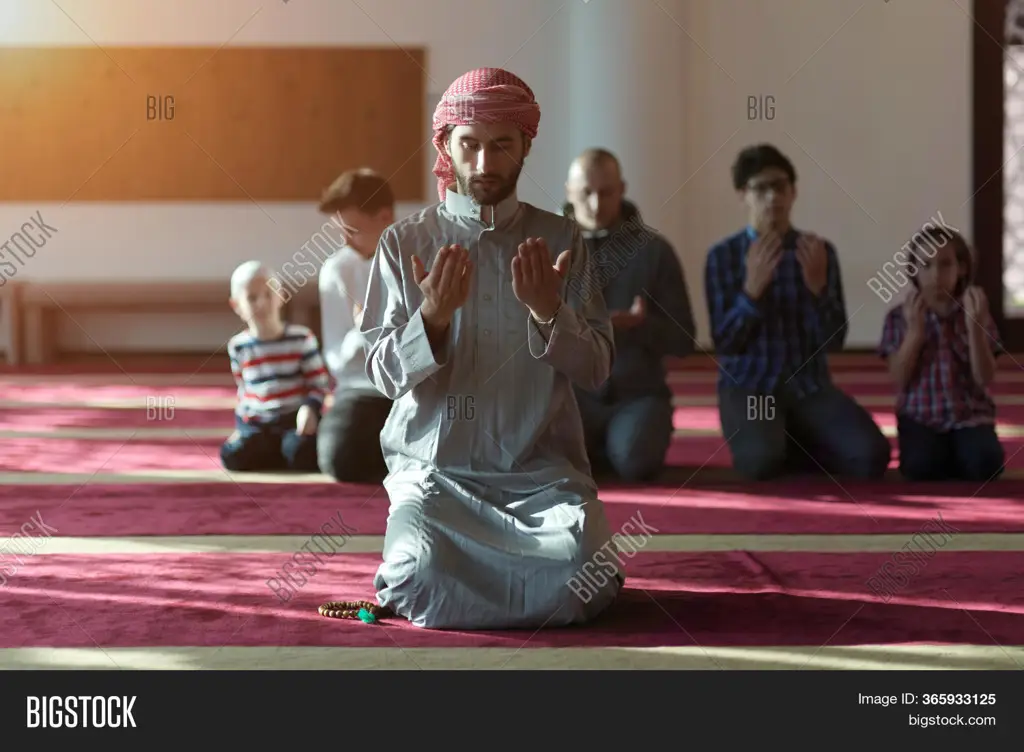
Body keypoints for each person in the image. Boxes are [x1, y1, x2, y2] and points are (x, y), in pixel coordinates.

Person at [358, 67, 623, 630]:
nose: (483, 164)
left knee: (583, 572)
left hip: (540, 479)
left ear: (526, 144)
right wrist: (430, 318)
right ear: (446, 148)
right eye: (469, 145)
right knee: (415, 575)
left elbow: (597, 367)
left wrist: (550, 311)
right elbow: (382, 376)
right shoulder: (404, 243)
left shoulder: (562, 240)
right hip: (436, 477)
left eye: (501, 145)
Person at [704, 144, 890, 480]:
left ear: (793, 192)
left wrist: (818, 290)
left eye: (780, 186)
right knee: (759, 463)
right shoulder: (723, 257)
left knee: (871, 457)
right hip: (750, 387)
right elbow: (725, 343)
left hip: (808, 386)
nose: (772, 196)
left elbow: (833, 341)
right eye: (761, 188)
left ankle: (792, 433)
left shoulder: (817, 252)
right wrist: (751, 294)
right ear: (743, 194)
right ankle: (783, 437)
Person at [562, 148, 695, 481]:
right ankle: (594, 446)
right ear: (568, 192)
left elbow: (684, 340)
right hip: (569, 396)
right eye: (585, 193)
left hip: (637, 394)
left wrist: (640, 327)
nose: (595, 204)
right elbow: (520, 335)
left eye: (605, 193)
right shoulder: (546, 248)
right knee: (549, 467)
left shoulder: (654, 251)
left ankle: (611, 445)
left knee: (635, 462)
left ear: (622, 189)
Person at [878, 227, 1005, 481]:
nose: (936, 275)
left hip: (969, 415)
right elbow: (900, 378)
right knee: (921, 468)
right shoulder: (898, 317)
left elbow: (985, 378)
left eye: (945, 264)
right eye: (925, 265)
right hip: (920, 417)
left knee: (985, 464)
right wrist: (915, 333)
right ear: (914, 270)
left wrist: (974, 329)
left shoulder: (975, 312)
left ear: (962, 269)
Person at [315, 169, 395, 482]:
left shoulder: (417, 258)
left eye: (353, 230)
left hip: (412, 390)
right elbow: (337, 358)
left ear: (385, 217)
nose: (345, 240)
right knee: (340, 458)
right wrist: (365, 326)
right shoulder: (336, 270)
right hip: (361, 391)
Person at [221, 260, 329, 473]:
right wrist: (241, 428)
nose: (261, 303)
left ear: (281, 296)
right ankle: (275, 453)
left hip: (294, 420)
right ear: (237, 306)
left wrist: (310, 409)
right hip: (260, 424)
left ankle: (282, 453)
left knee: (302, 452)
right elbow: (244, 390)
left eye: (268, 295)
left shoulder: (301, 338)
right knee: (232, 456)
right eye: (252, 298)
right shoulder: (238, 347)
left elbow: (319, 383)